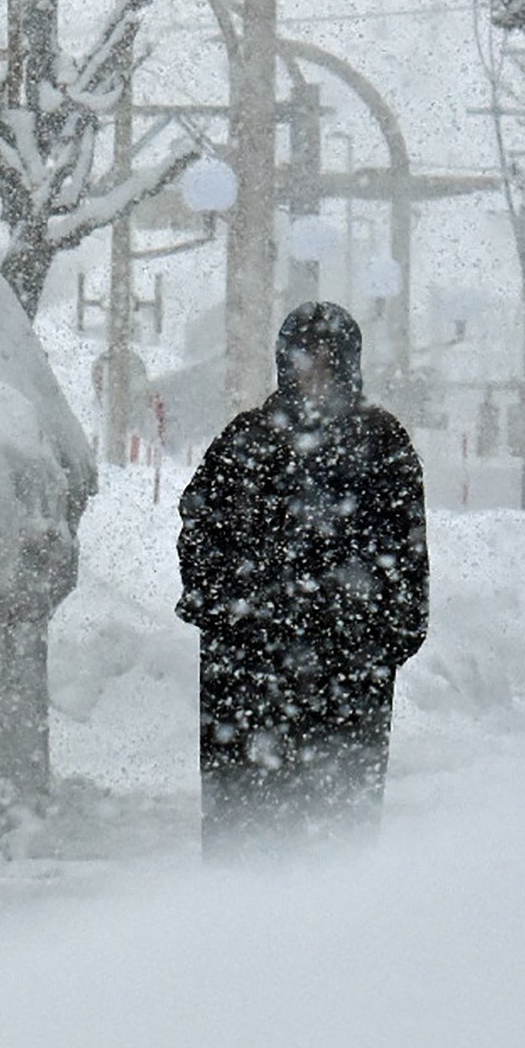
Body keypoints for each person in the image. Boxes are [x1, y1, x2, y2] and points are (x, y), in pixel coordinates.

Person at [177, 301, 429, 858]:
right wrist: (231, 613)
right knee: (246, 831)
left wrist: (377, 639)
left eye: (328, 363)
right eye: (304, 363)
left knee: (336, 836)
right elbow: (199, 527)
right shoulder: (247, 440)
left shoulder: (382, 444)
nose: (315, 377)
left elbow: (407, 560)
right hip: (249, 680)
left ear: (350, 366)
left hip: (346, 678)